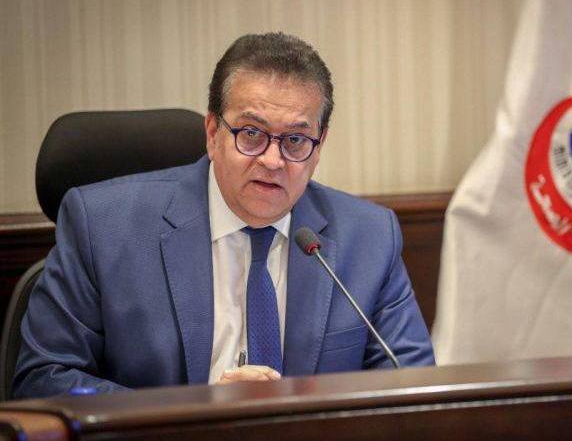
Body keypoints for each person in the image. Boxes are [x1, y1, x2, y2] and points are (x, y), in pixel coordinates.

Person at [13, 33, 434, 398]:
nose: (273, 160)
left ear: (319, 146)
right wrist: (199, 413)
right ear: (213, 133)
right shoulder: (102, 226)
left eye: (295, 140)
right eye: (251, 134)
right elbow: (44, 379)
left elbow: (413, 387)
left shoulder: (370, 237)